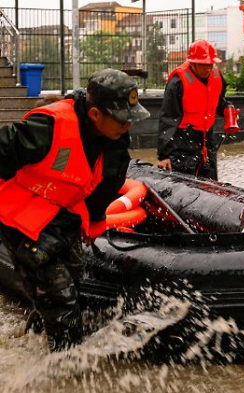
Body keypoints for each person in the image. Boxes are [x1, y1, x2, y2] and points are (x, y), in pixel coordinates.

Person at [0, 69, 150, 351]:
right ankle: (66, 369)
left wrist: (95, 220)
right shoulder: (48, 127)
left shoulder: (115, 135)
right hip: (23, 221)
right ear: (95, 115)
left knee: (73, 280)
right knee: (61, 298)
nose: (128, 125)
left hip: (62, 216)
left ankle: (34, 340)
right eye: (122, 119)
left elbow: (110, 180)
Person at [157, 39, 230, 180]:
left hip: (206, 139)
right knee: (183, 184)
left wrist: (227, 109)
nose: (208, 69)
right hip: (182, 141)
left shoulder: (217, 76)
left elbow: (219, 100)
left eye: (210, 64)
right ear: (193, 63)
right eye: (203, 65)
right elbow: (168, 119)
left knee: (210, 182)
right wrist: (164, 155)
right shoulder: (177, 83)